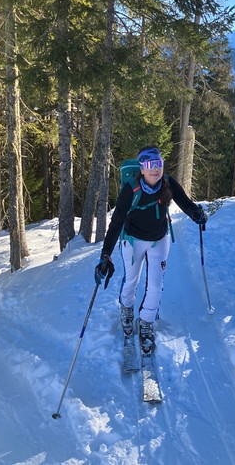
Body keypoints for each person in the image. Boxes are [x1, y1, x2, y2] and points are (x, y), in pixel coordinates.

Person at [94, 145, 207, 352]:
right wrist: (106, 255)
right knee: (132, 280)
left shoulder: (168, 183)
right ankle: (127, 309)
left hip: (159, 238)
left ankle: (146, 322)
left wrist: (196, 214)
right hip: (133, 239)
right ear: (142, 169)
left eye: (159, 164)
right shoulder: (131, 188)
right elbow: (117, 221)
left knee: (156, 284)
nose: (156, 169)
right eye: (150, 165)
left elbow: (185, 202)